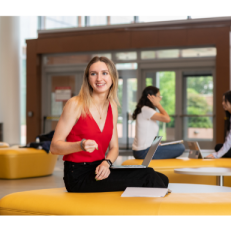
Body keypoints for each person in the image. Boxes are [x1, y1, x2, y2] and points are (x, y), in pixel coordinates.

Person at [50, 57, 168, 192]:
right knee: (148, 177)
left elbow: (114, 148)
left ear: (112, 77)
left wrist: (107, 163)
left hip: (101, 168)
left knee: (162, 178)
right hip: (78, 175)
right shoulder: (75, 104)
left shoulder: (112, 106)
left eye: (104, 73)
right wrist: (80, 145)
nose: (99, 78)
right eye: (93, 74)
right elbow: (54, 147)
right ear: (88, 78)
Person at [132, 86, 185, 160]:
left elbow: (148, 133)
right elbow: (167, 119)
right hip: (144, 152)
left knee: (176, 145)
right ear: (152, 97)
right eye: (159, 96)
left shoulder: (145, 110)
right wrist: (158, 105)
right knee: (181, 147)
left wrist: (156, 144)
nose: (160, 99)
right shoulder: (146, 110)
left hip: (143, 151)